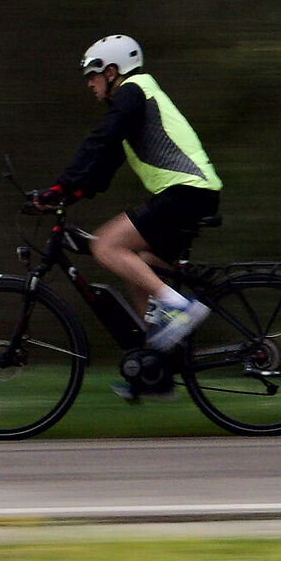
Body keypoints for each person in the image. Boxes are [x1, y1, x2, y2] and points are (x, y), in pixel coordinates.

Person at [30, 34, 222, 397]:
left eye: (93, 74)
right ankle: (158, 372)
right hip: (191, 195)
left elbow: (100, 140)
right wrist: (67, 194)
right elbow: (103, 166)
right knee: (139, 268)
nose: (89, 82)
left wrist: (60, 187)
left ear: (113, 72)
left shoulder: (134, 91)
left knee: (106, 246)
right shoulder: (132, 106)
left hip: (185, 193)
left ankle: (180, 309)